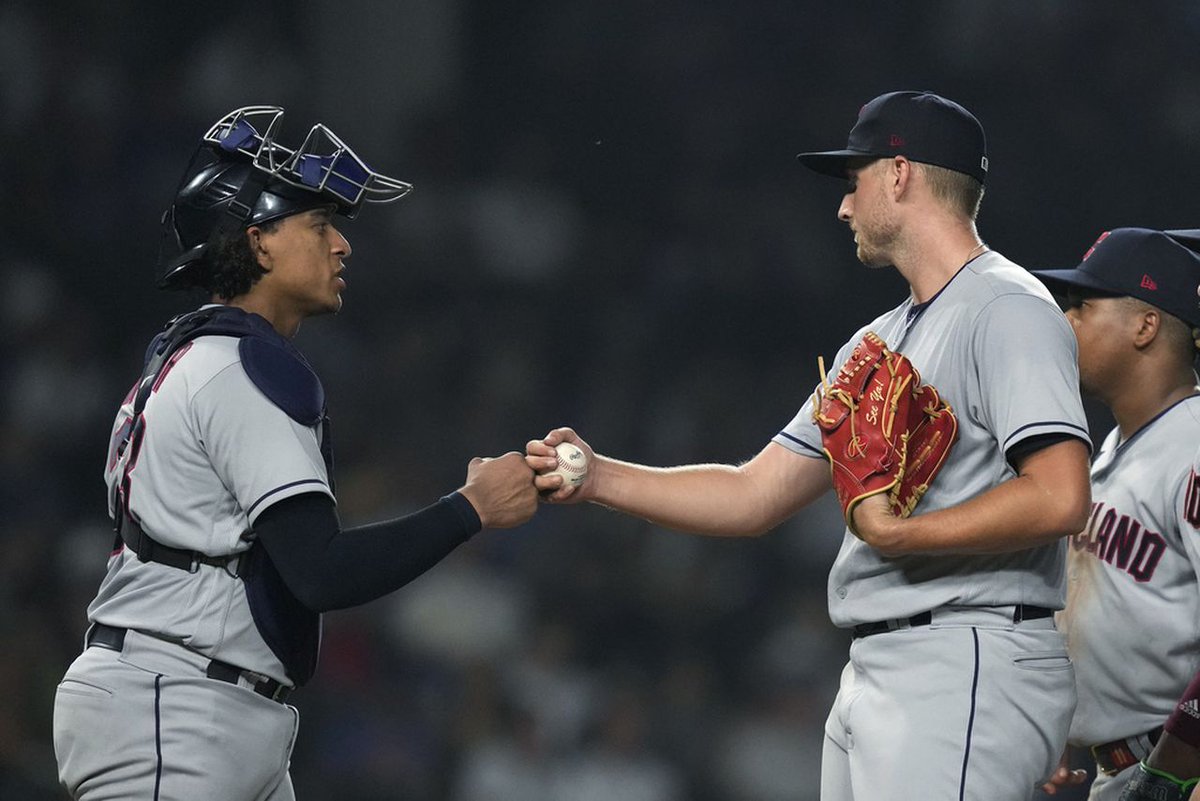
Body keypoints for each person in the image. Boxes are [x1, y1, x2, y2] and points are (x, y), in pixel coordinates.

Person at [526, 90, 1093, 800]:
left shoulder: (1006, 307)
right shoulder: (877, 341)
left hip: (966, 650)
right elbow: (753, 492)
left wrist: (901, 534)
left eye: (853, 182)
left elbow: (1062, 493)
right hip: (884, 662)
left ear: (898, 174)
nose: (843, 207)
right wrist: (600, 477)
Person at [52, 105, 539, 801]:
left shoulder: (190, 355)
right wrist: (472, 508)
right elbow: (323, 572)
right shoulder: (240, 368)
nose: (342, 246)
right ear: (258, 242)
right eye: (318, 225)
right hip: (177, 704)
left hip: (198, 700)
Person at [1028, 228, 1200, 800]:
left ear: (1145, 326)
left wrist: (1175, 769)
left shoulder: (1194, 445)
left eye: (1084, 305)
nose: (1065, 318)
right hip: (1128, 769)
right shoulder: (1117, 447)